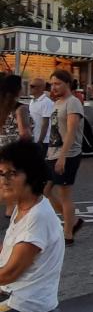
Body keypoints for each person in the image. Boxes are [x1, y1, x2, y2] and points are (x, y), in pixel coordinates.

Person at [0, 139, 64, 312]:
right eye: (1, 173)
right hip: (11, 291)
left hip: (24, 302)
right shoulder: (23, 207)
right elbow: (8, 252)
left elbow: (9, 273)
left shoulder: (37, 217)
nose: (4, 181)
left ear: (32, 175)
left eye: (12, 173)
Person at [44, 69, 85, 246]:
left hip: (68, 154)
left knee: (64, 194)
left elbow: (71, 131)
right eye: (52, 84)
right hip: (53, 153)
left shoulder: (73, 102)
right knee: (45, 191)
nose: (54, 87)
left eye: (57, 83)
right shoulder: (57, 102)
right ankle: (72, 221)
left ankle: (68, 233)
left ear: (67, 84)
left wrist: (62, 157)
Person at [1, 75, 32, 218]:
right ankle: (13, 211)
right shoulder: (21, 108)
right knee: (18, 180)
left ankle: (10, 209)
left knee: (5, 179)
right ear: (18, 90)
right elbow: (24, 133)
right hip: (14, 150)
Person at [28, 79, 52, 160]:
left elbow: (46, 123)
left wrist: (40, 141)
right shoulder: (32, 101)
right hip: (33, 139)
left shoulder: (47, 102)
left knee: (39, 165)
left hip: (42, 140)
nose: (30, 88)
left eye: (32, 86)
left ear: (41, 88)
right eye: (30, 86)